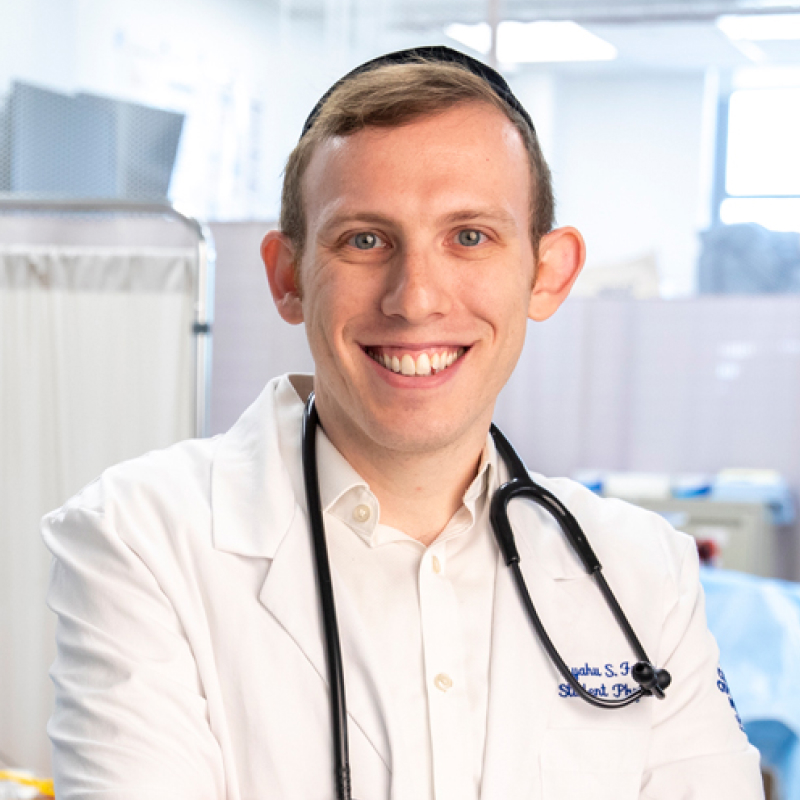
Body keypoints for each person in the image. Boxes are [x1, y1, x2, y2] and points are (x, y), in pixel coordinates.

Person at [42, 47, 764, 800]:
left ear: (548, 273)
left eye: (470, 236)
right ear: (288, 277)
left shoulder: (643, 572)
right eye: (364, 239)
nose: (415, 298)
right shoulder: (142, 540)